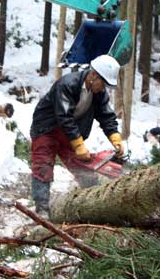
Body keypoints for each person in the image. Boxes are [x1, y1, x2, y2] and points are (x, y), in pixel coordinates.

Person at [29, 54, 124, 216]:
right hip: (47, 129)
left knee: (83, 166)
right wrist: (79, 145)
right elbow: (64, 116)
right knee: (43, 165)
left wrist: (115, 137)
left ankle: (94, 201)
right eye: (104, 83)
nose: (104, 88)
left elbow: (106, 116)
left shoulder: (99, 94)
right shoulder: (67, 84)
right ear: (93, 75)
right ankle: (42, 209)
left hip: (71, 133)